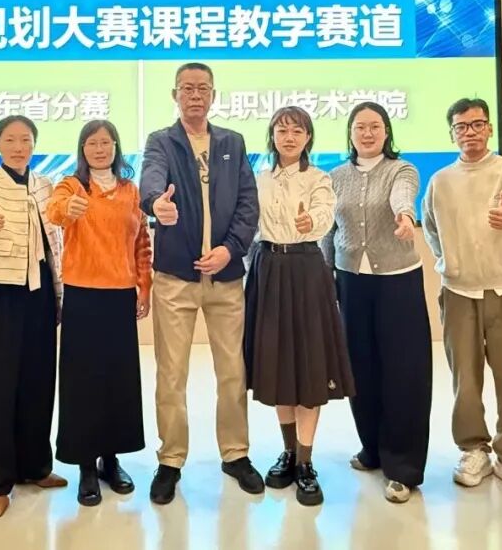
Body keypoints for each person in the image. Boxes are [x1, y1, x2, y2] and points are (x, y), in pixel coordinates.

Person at [139, 62, 263, 505]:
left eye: (203, 88)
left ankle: (236, 453)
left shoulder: (232, 142)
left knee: (232, 371)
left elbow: (248, 202)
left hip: (225, 277)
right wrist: (157, 204)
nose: (195, 95)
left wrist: (231, 249)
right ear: (175, 95)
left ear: (213, 94)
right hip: (176, 276)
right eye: (187, 88)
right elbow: (151, 180)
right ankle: (171, 459)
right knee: (171, 373)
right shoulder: (162, 141)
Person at [422, 98, 502, 499]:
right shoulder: (441, 181)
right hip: (459, 292)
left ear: (489, 128)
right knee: (465, 379)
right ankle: (473, 449)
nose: (469, 132)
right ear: (451, 134)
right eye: (461, 126)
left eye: (477, 124)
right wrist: (449, 262)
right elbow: (431, 228)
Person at [321, 102, 432, 504]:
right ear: (350, 133)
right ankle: (372, 448)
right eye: (360, 127)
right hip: (351, 280)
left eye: (375, 126)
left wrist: (404, 215)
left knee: (404, 372)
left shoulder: (401, 170)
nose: (367, 133)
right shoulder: (335, 177)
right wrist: (326, 276)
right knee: (360, 368)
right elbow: (329, 230)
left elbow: (404, 196)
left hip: (397, 281)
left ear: (386, 131)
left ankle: (403, 467)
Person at [245, 106, 355, 507]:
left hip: (307, 270)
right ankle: (288, 453)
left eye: (297, 131)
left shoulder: (319, 178)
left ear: (308, 138)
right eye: (282, 130)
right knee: (278, 365)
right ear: (272, 136)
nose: (289, 137)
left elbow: (324, 214)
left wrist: (312, 222)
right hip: (267, 269)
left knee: (309, 366)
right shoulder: (257, 179)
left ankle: (306, 463)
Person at [45, 120, 151, 507]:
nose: (100, 149)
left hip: (120, 296)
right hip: (83, 296)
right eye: (92, 143)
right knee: (83, 383)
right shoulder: (70, 186)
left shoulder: (130, 190)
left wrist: (144, 285)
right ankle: (86, 466)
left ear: (116, 147)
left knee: (118, 381)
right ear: (82, 149)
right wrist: (67, 209)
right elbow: (55, 212)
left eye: (106, 142)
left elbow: (141, 242)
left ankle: (111, 459)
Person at [0, 115, 66, 517]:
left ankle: (34, 465)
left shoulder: (45, 184)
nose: (19, 147)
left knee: (38, 380)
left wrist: (59, 293)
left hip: (39, 291)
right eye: (10, 139)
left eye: (26, 140)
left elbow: (56, 237)